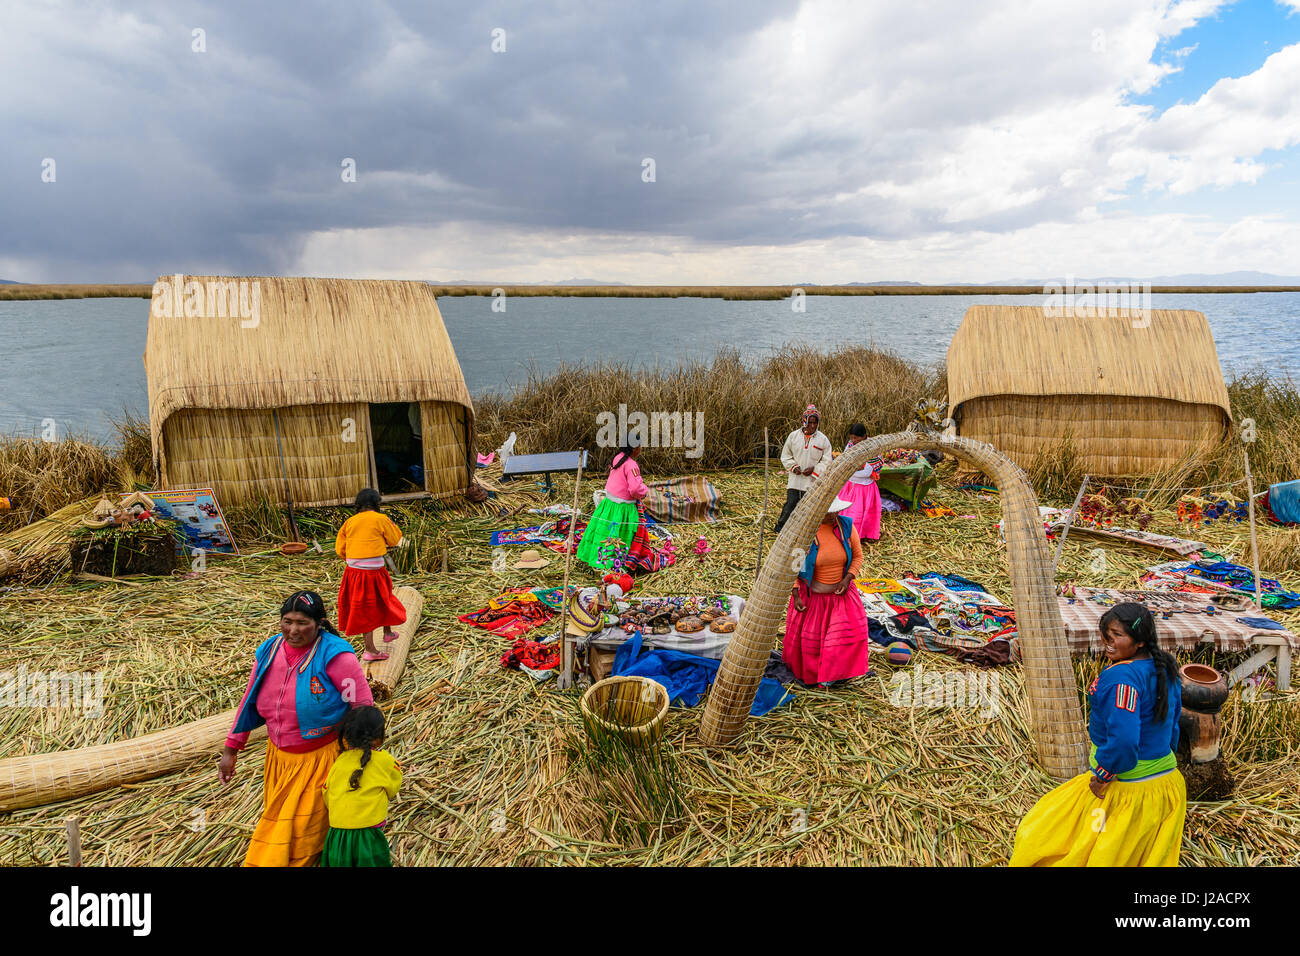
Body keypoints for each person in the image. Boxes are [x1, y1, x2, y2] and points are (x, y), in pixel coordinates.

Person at [1010, 603, 1184, 867]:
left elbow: (1125, 741)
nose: (1108, 642)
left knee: (1046, 833)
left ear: (1139, 642)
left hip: (1127, 790)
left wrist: (1104, 775)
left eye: (1117, 635)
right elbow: (1172, 728)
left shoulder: (1122, 678)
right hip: (1167, 786)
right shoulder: (1165, 669)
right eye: (1107, 634)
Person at [219, 590, 374, 867]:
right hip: (279, 758)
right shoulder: (269, 651)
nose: (293, 630)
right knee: (284, 824)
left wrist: (362, 756)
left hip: (320, 759)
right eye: (287, 621)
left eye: (302, 622)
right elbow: (249, 699)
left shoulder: (336, 656)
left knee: (304, 836)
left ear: (319, 623)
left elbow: (362, 705)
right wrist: (232, 748)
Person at [783, 497, 871, 686]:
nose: (833, 515)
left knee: (846, 638)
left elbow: (857, 556)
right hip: (814, 600)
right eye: (828, 512)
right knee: (814, 644)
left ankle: (838, 674)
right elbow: (793, 569)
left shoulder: (845, 526)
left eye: (835, 511)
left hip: (843, 595)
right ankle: (817, 676)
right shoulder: (804, 534)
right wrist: (796, 594)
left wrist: (848, 579)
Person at [321, 705, 402, 867]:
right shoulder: (385, 761)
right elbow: (394, 788)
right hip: (368, 837)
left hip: (337, 837)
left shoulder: (339, 762)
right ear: (379, 736)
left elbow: (327, 794)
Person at [335, 488, 408, 662]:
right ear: (377, 504)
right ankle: (371, 651)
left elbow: (340, 549)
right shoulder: (381, 519)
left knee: (375, 601)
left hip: (353, 572)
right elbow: (395, 538)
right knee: (374, 604)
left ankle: (388, 632)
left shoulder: (349, 522)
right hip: (372, 572)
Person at [577, 439, 649, 570]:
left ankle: (596, 558)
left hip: (609, 504)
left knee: (604, 532)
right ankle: (613, 564)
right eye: (640, 446)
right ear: (634, 448)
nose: (641, 449)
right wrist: (645, 490)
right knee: (617, 536)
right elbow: (635, 489)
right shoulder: (631, 465)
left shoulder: (618, 458)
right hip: (622, 509)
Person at [774, 405, 831, 533]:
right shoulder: (793, 436)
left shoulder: (823, 440)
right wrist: (793, 467)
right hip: (795, 478)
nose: (812, 425)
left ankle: (805, 530)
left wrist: (815, 469)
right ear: (804, 421)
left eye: (815, 422)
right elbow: (785, 455)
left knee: (809, 506)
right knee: (791, 503)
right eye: (810, 422)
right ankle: (781, 527)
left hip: (812, 480)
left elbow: (827, 461)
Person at [836, 423, 882, 542]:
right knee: (847, 511)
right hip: (850, 485)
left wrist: (852, 469)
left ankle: (859, 536)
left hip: (864, 489)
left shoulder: (873, 448)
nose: (854, 440)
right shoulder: (851, 445)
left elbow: (866, 472)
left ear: (864, 436)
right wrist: (855, 467)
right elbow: (846, 460)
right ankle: (845, 534)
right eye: (852, 437)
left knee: (860, 514)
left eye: (856, 438)